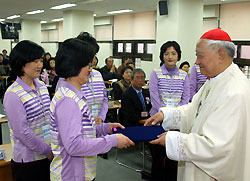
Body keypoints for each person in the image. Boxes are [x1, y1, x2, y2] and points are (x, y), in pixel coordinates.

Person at [145, 28, 250, 181]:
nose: (196, 62)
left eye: (200, 56)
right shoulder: (215, 80)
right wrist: (166, 114)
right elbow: (193, 110)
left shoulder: (234, 91)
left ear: (220, 55)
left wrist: (172, 140)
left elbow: (216, 147)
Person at [50, 38, 134, 181]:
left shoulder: (74, 94)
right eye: (87, 65)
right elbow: (74, 145)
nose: (91, 69)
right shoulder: (68, 100)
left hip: (82, 172)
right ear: (74, 65)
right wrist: (112, 140)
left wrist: (106, 128)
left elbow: (83, 131)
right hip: (70, 175)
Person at [3, 40, 53, 181]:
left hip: (47, 153)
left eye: (41, 60)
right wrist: (47, 150)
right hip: (28, 161)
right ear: (22, 64)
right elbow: (22, 133)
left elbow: (48, 117)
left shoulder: (42, 86)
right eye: (35, 61)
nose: (40, 65)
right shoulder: (13, 94)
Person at [149, 41, 190, 181]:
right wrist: (165, 116)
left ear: (178, 56)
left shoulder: (184, 75)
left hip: (177, 123)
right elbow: (154, 98)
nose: (170, 57)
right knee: (158, 157)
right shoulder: (156, 73)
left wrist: (176, 117)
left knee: (174, 157)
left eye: (173, 53)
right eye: (166, 54)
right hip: (158, 121)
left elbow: (186, 99)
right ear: (162, 56)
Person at [77, 31, 108, 125]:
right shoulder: (70, 79)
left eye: (94, 55)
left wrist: (101, 118)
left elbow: (105, 100)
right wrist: (89, 120)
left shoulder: (97, 75)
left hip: (98, 127)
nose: (93, 60)